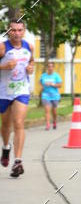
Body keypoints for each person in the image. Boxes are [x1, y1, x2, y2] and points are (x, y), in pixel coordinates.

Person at [0, 18, 34, 178]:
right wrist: (4, 66)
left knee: (19, 123)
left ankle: (18, 161)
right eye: (13, 30)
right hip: (4, 92)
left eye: (20, 30)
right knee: (5, 125)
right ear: (9, 31)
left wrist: (30, 68)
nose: (17, 33)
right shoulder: (2, 47)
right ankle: (6, 147)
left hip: (22, 90)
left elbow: (31, 62)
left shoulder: (29, 47)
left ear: (24, 31)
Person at [40, 61, 62, 129]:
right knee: (47, 110)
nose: (50, 68)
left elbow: (60, 85)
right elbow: (40, 82)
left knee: (54, 111)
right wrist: (42, 87)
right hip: (45, 95)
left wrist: (52, 84)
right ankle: (47, 124)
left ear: (53, 67)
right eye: (49, 67)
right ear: (47, 67)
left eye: (52, 67)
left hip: (55, 95)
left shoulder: (56, 76)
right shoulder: (43, 75)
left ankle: (54, 121)